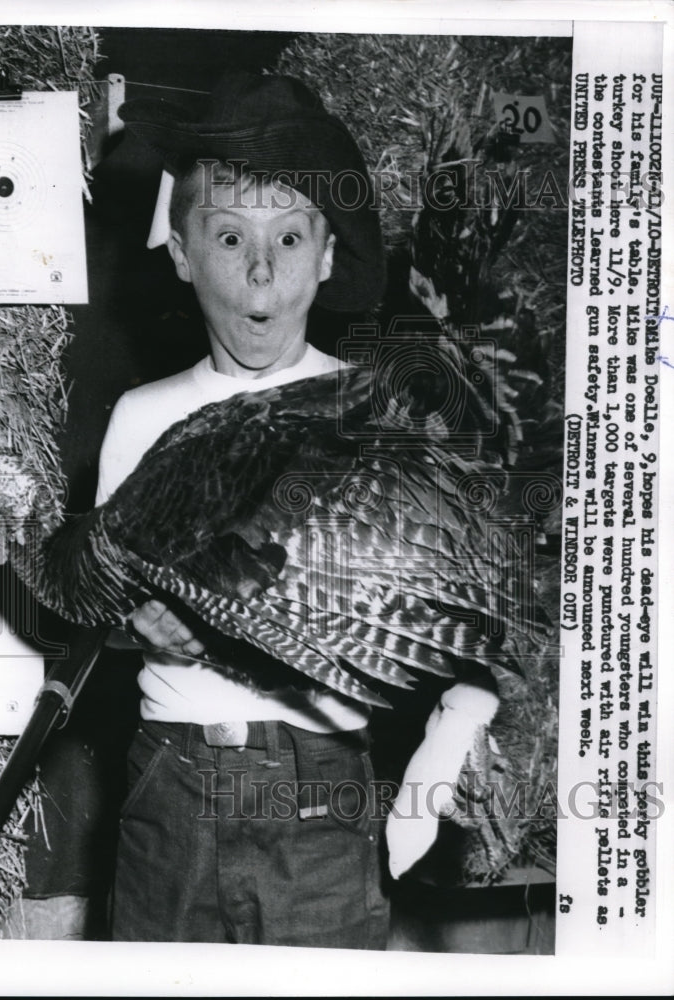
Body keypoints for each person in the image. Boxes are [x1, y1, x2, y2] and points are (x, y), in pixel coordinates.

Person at [97, 71, 499, 947]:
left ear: (324, 258)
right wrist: (143, 621)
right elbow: (107, 600)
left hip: (315, 790)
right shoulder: (140, 416)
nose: (260, 269)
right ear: (178, 251)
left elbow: (471, 634)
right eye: (228, 235)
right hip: (169, 779)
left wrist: (431, 774)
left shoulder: (378, 421)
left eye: (288, 238)